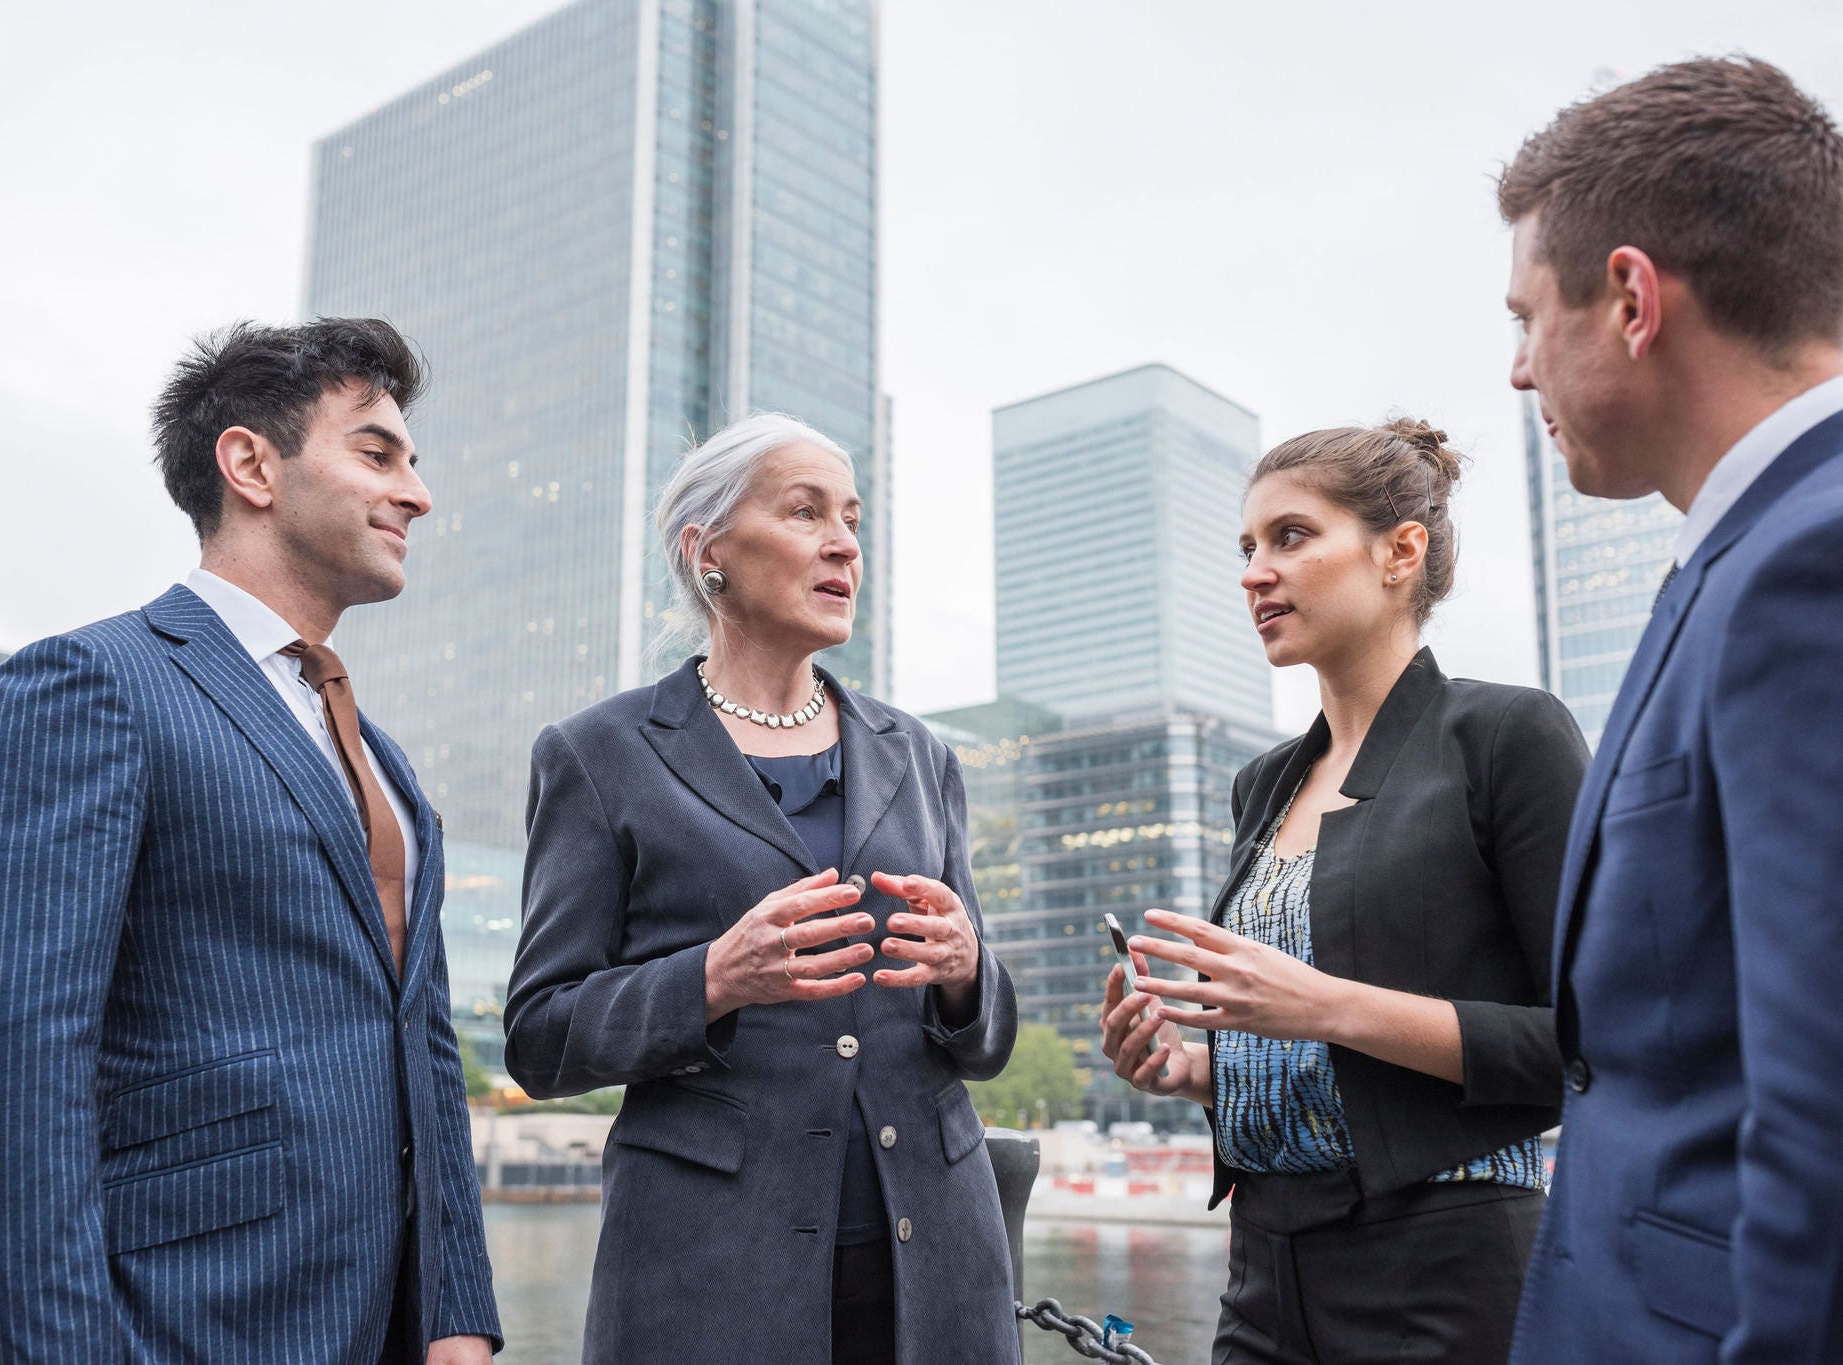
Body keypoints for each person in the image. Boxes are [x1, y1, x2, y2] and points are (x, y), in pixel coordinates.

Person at [0, 320, 500, 1364]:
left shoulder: (386, 762)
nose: (417, 493)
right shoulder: (92, 685)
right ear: (250, 465)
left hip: (385, 1326)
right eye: (376, 452)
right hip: (177, 1322)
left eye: (411, 463)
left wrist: (455, 1313)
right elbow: (7, 1065)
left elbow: (426, 1043)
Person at [504, 412, 1021, 1365]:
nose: (843, 543)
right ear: (710, 553)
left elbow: (985, 1038)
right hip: (708, 1275)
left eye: (853, 519)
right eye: (805, 511)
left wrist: (964, 968)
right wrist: (714, 976)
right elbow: (540, 1035)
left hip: (939, 1266)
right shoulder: (598, 754)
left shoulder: (920, 754)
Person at [1099, 419, 1588, 1364]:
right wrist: (1201, 1073)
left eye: (1290, 536)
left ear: (1400, 551)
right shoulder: (1264, 783)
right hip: (1263, 1272)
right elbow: (1312, 1059)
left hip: (1448, 1267)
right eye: (1246, 547)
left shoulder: (1508, 736)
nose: (1253, 571)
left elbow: (1587, 1041)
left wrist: (1324, 1006)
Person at [1497, 58, 1843, 1364]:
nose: (1518, 369)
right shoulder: (1746, 553)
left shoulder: (1812, 563)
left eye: (1529, 315)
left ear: (1633, 299)